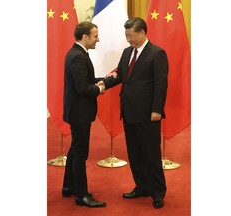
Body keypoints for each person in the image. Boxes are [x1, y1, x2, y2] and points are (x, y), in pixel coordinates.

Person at [99, 17, 168, 208]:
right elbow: (121, 76)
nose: (128, 39)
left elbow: (161, 85)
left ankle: (158, 191)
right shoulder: (128, 52)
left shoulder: (157, 53)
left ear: (142, 33)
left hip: (148, 114)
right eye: (126, 36)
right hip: (129, 112)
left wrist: (156, 110)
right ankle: (142, 186)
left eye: (131, 35)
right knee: (135, 153)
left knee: (151, 153)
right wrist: (102, 83)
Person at [62, 21, 106, 208]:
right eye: (95, 35)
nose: (98, 39)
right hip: (79, 112)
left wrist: (104, 80)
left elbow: (85, 80)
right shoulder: (78, 56)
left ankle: (68, 186)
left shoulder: (77, 53)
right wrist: (99, 89)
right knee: (80, 152)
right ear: (85, 37)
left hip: (76, 110)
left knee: (74, 149)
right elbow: (83, 87)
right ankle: (81, 195)